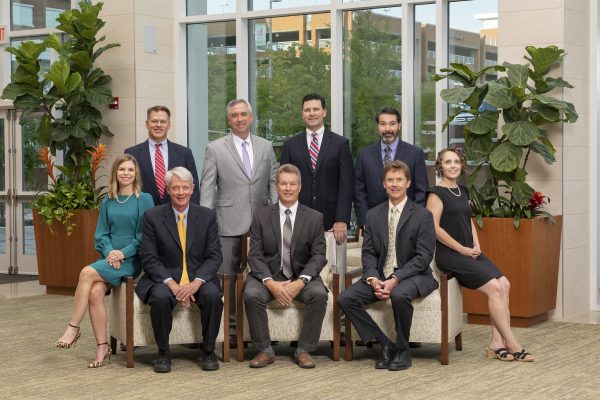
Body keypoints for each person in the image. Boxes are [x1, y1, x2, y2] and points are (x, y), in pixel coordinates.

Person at [426, 147, 535, 362]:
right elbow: (434, 228)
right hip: (450, 254)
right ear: (440, 166)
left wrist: (476, 244)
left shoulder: (463, 191)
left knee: (504, 284)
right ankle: (512, 343)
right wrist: (462, 249)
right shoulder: (435, 194)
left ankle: (496, 344)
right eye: (447, 162)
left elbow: (468, 220)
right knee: (494, 288)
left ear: (462, 165)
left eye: (456, 161)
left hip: (469, 251)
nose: (453, 165)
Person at [54, 154, 154, 368]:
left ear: (135, 173)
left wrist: (121, 254)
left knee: (86, 273)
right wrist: (110, 252)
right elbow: (101, 234)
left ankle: (73, 327)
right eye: (121, 169)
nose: (126, 173)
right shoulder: (108, 200)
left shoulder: (143, 199)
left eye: (130, 169)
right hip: (109, 258)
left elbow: (144, 236)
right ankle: (102, 347)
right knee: (95, 293)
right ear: (115, 173)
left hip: (131, 260)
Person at [338, 160, 438, 371]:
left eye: (399, 179)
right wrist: (373, 278)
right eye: (390, 180)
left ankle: (403, 349)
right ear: (383, 183)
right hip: (381, 275)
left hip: (414, 275)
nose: (394, 184)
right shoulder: (373, 215)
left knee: (399, 294)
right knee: (346, 298)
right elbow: (369, 252)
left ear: (408, 183)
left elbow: (423, 257)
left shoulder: (422, 216)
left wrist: (395, 279)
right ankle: (385, 344)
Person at [200, 99, 278, 348]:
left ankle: (261, 330)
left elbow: (274, 181)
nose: (240, 119)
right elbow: (207, 187)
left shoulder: (266, 146)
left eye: (244, 114)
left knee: (264, 274)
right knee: (229, 277)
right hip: (228, 223)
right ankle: (232, 329)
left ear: (251, 117)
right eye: (235, 115)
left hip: (263, 222)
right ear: (229, 120)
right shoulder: (214, 148)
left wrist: (276, 214)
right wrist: (205, 222)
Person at [136, 167, 223, 373]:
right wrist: (172, 284)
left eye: (185, 187)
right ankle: (163, 353)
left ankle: (209, 351)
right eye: (175, 188)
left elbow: (214, 256)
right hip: (165, 279)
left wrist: (195, 283)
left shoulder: (207, 216)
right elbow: (149, 257)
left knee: (212, 295)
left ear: (193, 189)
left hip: (197, 278)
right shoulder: (153, 217)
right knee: (160, 297)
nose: (181, 192)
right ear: (168, 190)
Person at [244, 164, 328, 369]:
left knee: (319, 294)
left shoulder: (315, 217)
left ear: (300, 187)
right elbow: (254, 255)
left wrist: (299, 283)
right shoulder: (261, 216)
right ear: (276, 186)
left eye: (292, 184)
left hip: (301, 276)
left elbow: (318, 256)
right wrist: (270, 282)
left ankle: (304, 350)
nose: (288, 188)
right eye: (283, 184)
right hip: (268, 276)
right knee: (251, 295)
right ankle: (265, 351)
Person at [280, 93, 354, 245]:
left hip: (332, 223)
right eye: (307, 110)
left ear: (324, 112)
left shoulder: (340, 144)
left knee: (330, 267)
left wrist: (341, 219)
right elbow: (283, 183)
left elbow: (347, 185)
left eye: (316, 109)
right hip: (297, 220)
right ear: (302, 114)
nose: (312, 113)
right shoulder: (290, 145)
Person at [354, 107, 428, 227]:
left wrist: (414, 220)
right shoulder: (364, 155)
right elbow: (358, 192)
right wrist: (365, 221)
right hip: (374, 223)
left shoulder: (415, 153)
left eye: (392, 124)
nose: (387, 129)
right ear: (378, 127)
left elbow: (421, 191)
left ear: (399, 126)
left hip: (407, 222)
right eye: (383, 124)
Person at [125, 105, 200, 206]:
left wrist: (191, 215)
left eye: (163, 122)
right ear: (147, 124)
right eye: (154, 121)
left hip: (176, 215)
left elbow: (193, 188)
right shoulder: (132, 153)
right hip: (143, 215)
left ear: (169, 125)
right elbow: (126, 187)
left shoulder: (184, 153)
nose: (158, 125)